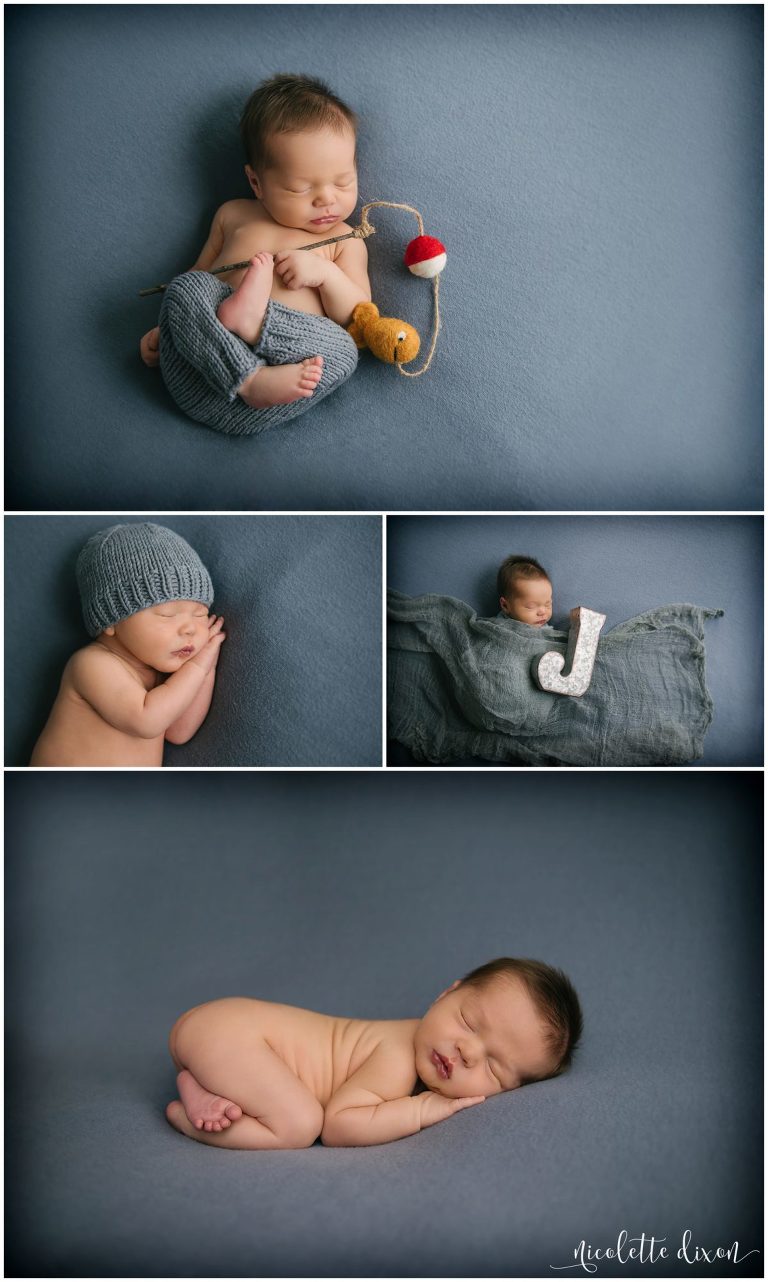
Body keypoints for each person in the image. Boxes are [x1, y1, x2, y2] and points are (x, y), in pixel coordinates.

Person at [140, 74, 370, 435]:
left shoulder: (345, 239)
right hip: (203, 370)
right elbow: (202, 277)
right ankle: (248, 376)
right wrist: (167, 326)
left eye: (343, 182)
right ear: (256, 183)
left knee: (344, 351)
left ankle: (255, 327)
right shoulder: (233, 215)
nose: (327, 198)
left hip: (278, 383)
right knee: (186, 286)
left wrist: (326, 276)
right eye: (300, 187)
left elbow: (359, 315)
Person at [165, 957, 583, 1148]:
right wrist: (421, 1111)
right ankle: (188, 1118)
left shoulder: (410, 1043)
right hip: (229, 1033)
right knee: (300, 1123)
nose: (468, 1051)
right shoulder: (397, 1056)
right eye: (469, 1022)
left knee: (286, 1105)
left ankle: (201, 1083)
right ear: (446, 993)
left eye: (493, 1067)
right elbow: (339, 1126)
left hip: (224, 1033)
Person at [30, 524, 225, 766]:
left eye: (199, 614)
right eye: (167, 614)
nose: (190, 629)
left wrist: (205, 670)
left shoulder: (161, 678)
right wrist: (196, 667)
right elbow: (148, 720)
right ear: (111, 620)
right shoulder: (91, 665)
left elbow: (178, 731)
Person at [497, 555, 553, 627]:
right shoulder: (497, 629)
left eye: (548, 605)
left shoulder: (546, 630)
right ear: (505, 606)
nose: (542, 612)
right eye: (531, 606)